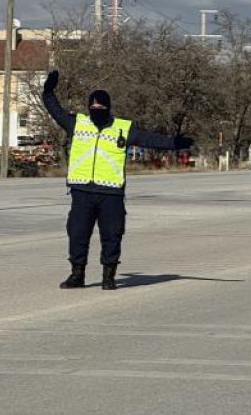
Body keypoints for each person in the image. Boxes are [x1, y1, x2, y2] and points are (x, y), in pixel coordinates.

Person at [42, 70, 192, 290]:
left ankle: (108, 275)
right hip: (82, 191)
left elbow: (150, 139)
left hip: (111, 193)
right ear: (88, 108)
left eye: (101, 108)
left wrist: (174, 143)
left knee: (112, 235)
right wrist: (48, 91)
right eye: (93, 108)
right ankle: (77, 274)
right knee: (77, 234)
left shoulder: (123, 128)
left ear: (108, 108)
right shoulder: (77, 124)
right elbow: (54, 109)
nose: (97, 111)